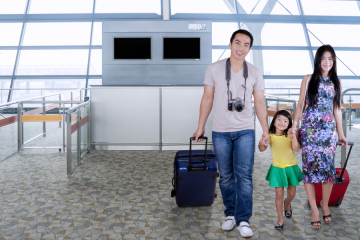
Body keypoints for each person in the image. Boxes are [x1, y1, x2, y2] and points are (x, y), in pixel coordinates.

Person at [193, 29, 269, 238]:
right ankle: (230, 214)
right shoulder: (214, 69)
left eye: (246, 45)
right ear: (230, 44)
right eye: (238, 43)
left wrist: (265, 129)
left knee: (244, 176)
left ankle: (243, 219)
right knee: (226, 176)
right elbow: (207, 98)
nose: (241, 48)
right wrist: (201, 126)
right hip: (220, 130)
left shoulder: (254, 72)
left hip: (245, 129)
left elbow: (260, 102)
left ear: (249, 49)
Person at [289, 45, 348, 229]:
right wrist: (295, 125)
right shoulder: (308, 79)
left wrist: (341, 133)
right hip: (309, 131)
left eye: (330, 59)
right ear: (318, 60)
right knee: (310, 169)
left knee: (327, 170)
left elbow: (336, 109)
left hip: (328, 133)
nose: (327, 62)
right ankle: (314, 207)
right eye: (324, 58)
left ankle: (324, 205)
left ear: (334, 61)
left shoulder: (336, 81)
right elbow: (300, 104)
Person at [259, 110, 302, 230]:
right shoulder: (270, 136)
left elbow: (297, 149)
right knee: (278, 194)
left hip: (291, 167)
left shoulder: (290, 135)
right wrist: (262, 143)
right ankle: (280, 219)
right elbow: (262, 148)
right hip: (277, 168)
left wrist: (293, 137)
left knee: (292, 193)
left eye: (285, 120)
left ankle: (287, 203)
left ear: (289, 124)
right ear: (273, 122)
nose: (282, 122)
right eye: (279, 119)